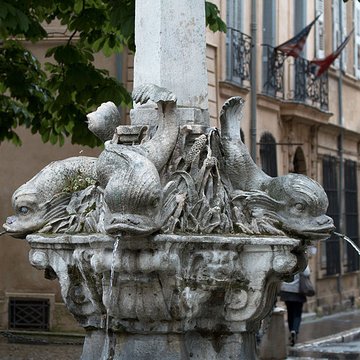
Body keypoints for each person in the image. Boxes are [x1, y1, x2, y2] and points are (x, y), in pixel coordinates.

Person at [279, 265, 311, 346]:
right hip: (297, 291)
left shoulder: (286, 261)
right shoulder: (300, 259)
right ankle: (294, 330)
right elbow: (307, 272)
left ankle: (291, 331)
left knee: (290, 312)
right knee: (297, 313)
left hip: (286, 290)